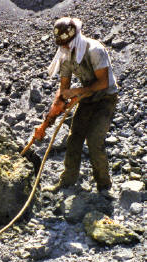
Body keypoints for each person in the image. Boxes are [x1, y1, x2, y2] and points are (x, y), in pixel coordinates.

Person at [36, 17, 118, 193]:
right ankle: (67, 181)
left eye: (66, 43)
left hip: (105, 98)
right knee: (74, 139)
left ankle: (104, 186)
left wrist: (76, 92)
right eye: (62, 44)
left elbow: (103, 83)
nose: (64, 47)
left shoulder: (94, 50)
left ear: (75, 37)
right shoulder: (66, 56)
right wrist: (45, 123)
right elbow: (62, 92)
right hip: (86, 99)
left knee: (95, 140)